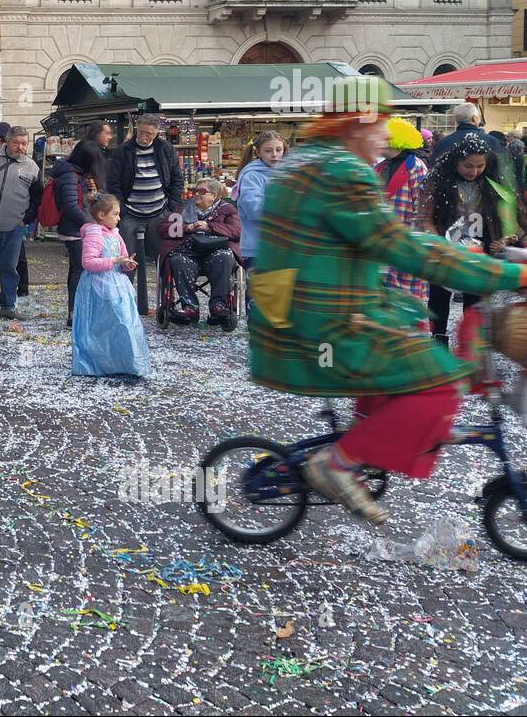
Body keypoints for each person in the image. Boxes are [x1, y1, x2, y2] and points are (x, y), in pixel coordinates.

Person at [248, 90, 527, 525]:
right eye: (379, 125)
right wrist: (507, 275)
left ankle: (362, 447)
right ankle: (339, 462)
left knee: (410, 330)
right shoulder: (343, 172)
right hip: (329, 327)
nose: (386, 137)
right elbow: (401, 246)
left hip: (287, 319)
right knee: (440, 381)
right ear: (356, 124)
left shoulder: (302, 162)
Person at [420, 132, 522, 344]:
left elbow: (509, 219)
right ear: (456, 161)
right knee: (439, 300)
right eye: (468, 166)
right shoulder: (438, 179)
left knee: (475, 303)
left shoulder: (492, 181)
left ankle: (472, 347)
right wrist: (438, 243)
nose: (474, 171)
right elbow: (425, 218)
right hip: (444, 251)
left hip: (479, 251)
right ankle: (439, 343)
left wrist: (502, 240)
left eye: (479, 166)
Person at [72, 194, 150, 378]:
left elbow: (122, 255)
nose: (119, 218)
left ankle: (126, 362)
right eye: (115, 214)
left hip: (117, 285)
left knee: (124, 323)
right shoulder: (94, 233)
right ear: (101, 215)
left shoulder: (115, 233)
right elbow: (88, 262)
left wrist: (126, 263)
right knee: (100, 326)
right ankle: (99, 363)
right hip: (98, 286)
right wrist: (114, 260)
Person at [107, 113, 182, 292]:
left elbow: (177, 179)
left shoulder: (165, 148)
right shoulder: (123, 151)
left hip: (159, 210)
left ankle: (166, 296)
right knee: (127, 258)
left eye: (148, 133)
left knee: (163, 256)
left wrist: (172, 206)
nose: (143, 136)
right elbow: (113, 183)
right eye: (141, 132)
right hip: (131, 213)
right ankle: (124, 296)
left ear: (156, 133)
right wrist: (122, 210)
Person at [156, 178, 241, 330]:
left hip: (215, 251)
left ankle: (218, 306)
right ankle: (190, 307)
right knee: (177, 260)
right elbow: (162, 229)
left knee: (225, 256)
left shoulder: (227, 210)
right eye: (195, 191)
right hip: (188, 252)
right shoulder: (182, 208)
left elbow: (236, 232)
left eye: (202, 191)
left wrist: (210, 227)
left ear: (213, 195)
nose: (196, 194)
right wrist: (187, 228)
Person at [0, 126, 39, 321]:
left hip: (14, 226)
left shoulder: (32, 167)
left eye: (24, 143)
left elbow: (37, 198)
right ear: (7, 142)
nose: (20, 147)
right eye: (16, 142)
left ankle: (8, 305)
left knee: (10, 268)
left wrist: (27, 218)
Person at [376, 118, 430, 305]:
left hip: (407, 241)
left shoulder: (416, 167)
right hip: (383, 243)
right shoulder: (379, 167)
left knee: (409, 298)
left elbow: (421, 208)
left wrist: (414, 240)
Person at [50, 139, 99, 325]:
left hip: (76, 228)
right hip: (75, 230)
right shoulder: (71, 176)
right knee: (79, 271)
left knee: (76, 270)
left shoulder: (73, 173)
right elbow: (71, 206)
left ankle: (76, 311)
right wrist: (92, 225)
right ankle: (75, 313)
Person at [231, 131, 285, 270]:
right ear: (258, 153)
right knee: (259, 291)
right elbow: (255, 210)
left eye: (278, 150)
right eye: (268, 150)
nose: (274, 154)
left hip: (283, 247)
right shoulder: (252, 177)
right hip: (258, 249)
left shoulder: (286, 173)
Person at [431, 102, 496, 162]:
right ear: (474, 118)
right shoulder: (491, 141)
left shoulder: (443, 143)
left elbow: (434, 165)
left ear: (456, 120)